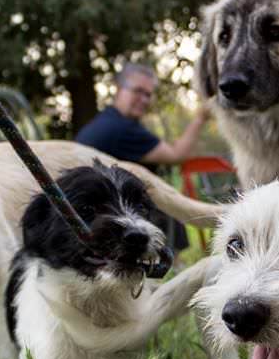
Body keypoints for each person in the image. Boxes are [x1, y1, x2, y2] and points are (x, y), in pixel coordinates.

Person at [76, 63, 211, 251]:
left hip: (87, 214)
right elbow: (177, 154)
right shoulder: (122, 129)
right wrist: (201, 117)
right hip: (102, 221)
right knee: (166, 208)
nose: (144, 99)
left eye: (148, 94)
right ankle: (168, 270)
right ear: (119, 89)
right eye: (138, 91)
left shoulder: (106, 121)